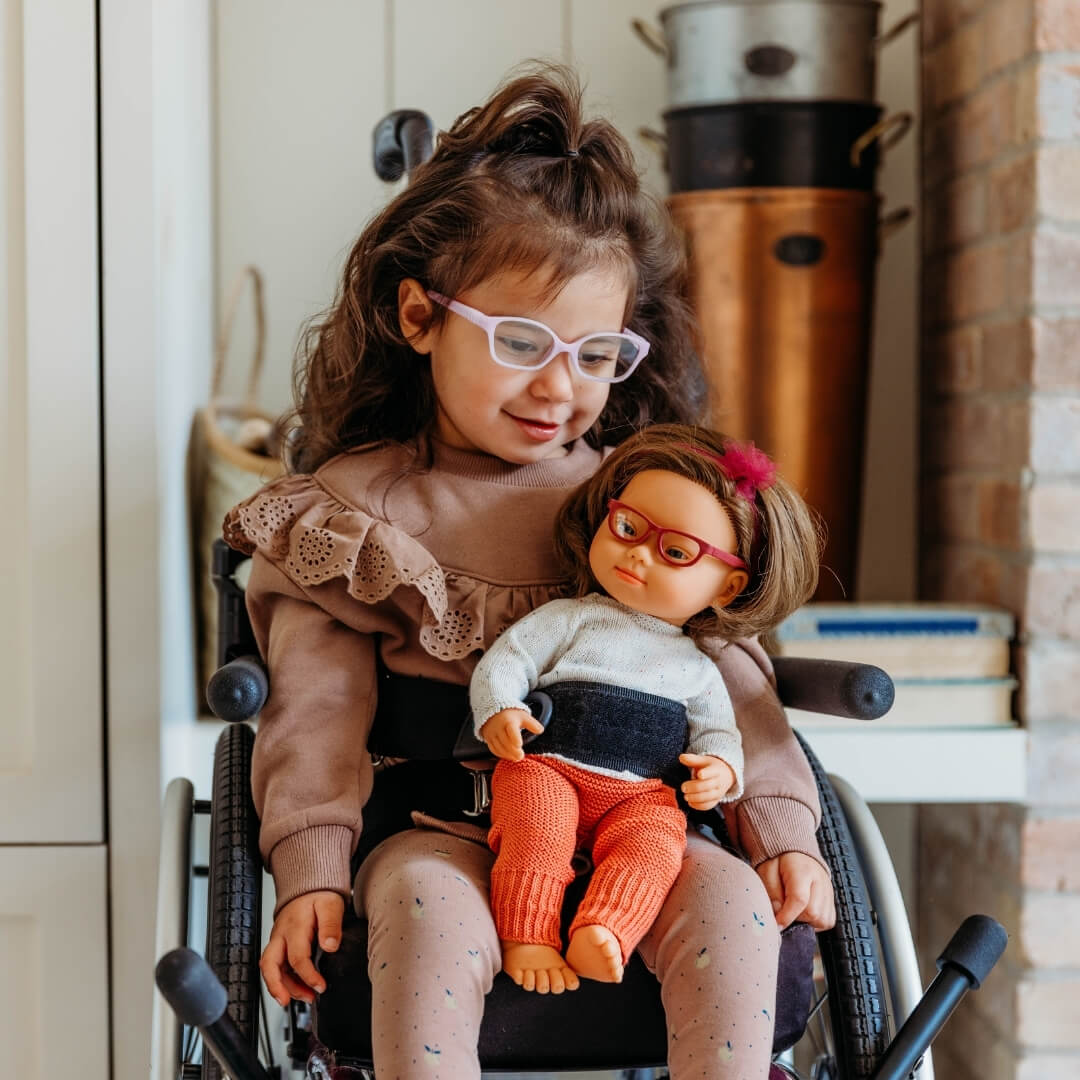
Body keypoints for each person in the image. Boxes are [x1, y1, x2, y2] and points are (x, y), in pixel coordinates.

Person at [223, 64, 835, 1080]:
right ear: (419, 318)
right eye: (520, 341)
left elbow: (736, 681)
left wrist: (783, 837)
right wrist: (310, 871)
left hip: (641, 825)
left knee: (727, 904)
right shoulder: (357, 512)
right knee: (426, 912)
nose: (561, 385)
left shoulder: (639, 503)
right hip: (438, 830)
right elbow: (314, 713)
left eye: (598, 353)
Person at [471, 425, 821, 992]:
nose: (637, 554)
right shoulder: (571, 618)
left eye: (675, 552)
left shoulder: (700, 667)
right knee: (537, 824)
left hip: (640, 793)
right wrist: (499, 709)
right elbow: (507, 661)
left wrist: (722, 772)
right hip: (550, 768)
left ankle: (607, 928)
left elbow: (718, 734)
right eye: (628, 527)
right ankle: (526, 933)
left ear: (728, 588)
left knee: (659, 842)